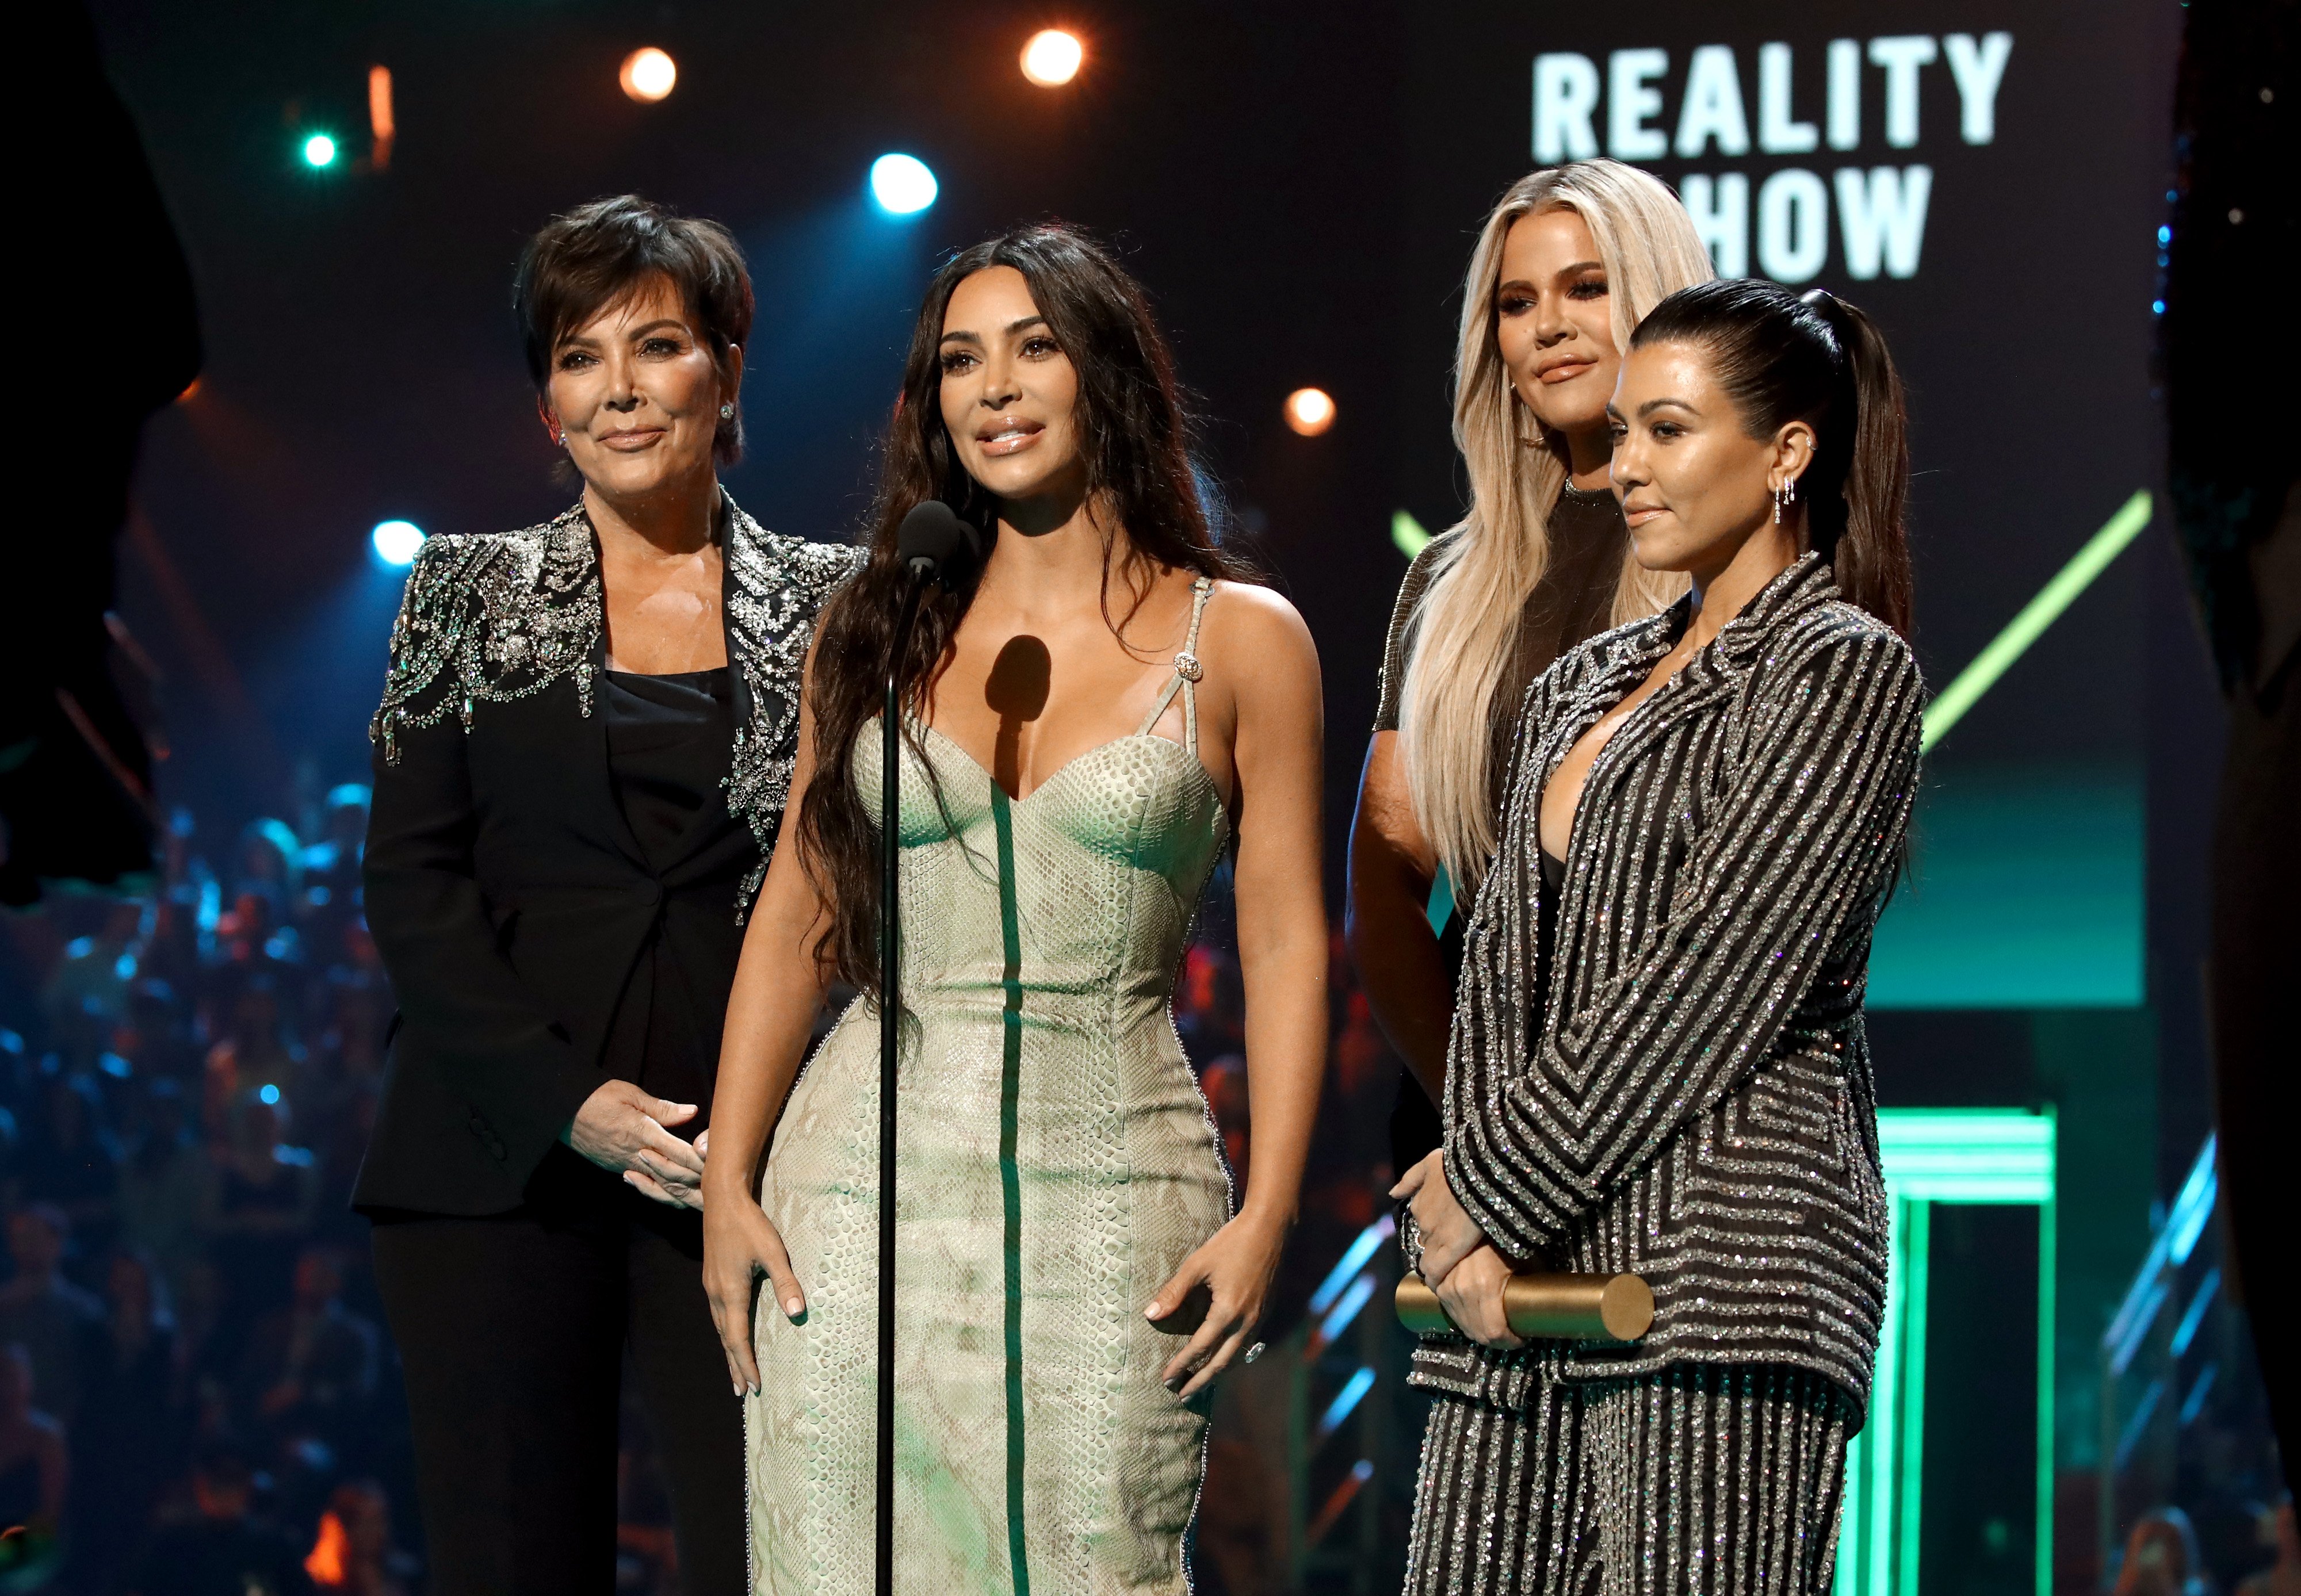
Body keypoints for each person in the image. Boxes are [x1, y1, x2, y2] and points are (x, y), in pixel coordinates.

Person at [701, 224, 1329, 1593]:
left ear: (1105, 370)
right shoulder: (875, 618)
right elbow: (800, 913)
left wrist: (1271, 1203)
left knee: (1094, 1557)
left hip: (1114, 1183)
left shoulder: (1242, 637)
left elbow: (1285, 934)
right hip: (851, 1196)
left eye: (1033, 346)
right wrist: (728, 1181)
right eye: (958, 362)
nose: (992, 388)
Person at [356, 194, 862, 1595]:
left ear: (729, 369)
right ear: (545, 402)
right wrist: (561, 1100)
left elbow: (857, 890)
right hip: (492, 1167)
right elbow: (411, 879)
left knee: (770, 1559)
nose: (620, 389)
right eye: (579, 356)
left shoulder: (842, 602)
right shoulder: (462, 592)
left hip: (755, 1169)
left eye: (656, 345)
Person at [1394, 280, 1925, 1594]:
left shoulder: (1840, 669)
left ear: (1786, 453)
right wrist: (1474, 1218)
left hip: (1718, 1279)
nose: (1623, 464)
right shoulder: (1578, 681)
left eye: (1667, 431)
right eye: (1622, 432)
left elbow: (1713, 980)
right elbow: (1504, 983)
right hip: (1522, 1289)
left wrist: (1484, 1186)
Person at [1346, 160, 1713, 1182]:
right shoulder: (1450, 583)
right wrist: (1480, 1125)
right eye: (1517, 302)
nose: (1548, 326)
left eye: (1587, 288)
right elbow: (1385, 882)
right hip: (1466, 1129)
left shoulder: (1733, 557)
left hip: (1676, 1137)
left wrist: (1563, 1136)